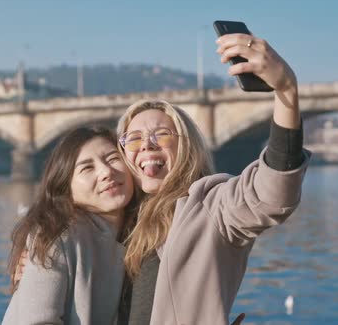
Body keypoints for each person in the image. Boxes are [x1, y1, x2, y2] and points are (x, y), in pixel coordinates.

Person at [116, 32, 310, 324]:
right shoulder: (118, 219)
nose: (146, 144)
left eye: (162, 134)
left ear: (187, 145)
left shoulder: (211, 206)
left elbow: (271, 193)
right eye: (133, 139)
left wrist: (285, 90)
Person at [2, 126, 137, 324]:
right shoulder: (57, 237)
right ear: (65, 187)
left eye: (112, 158)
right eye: (87, 168)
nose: (106, 172)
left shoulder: (143, 231)